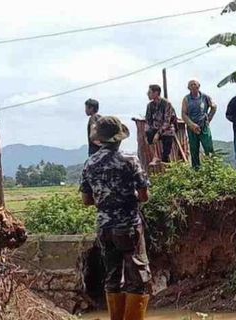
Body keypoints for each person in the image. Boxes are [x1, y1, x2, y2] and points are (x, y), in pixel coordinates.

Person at [80, 116, 151, 320]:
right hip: (128, 226)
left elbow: (86, 200)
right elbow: (144, 196)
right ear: (119, 139)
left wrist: (106, 200)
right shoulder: (129, 160)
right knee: (138, 278)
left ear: (100, 139)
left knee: (112, 278)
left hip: (104, 228)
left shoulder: (89, 163)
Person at [181, 79, 217, 169]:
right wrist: (191, 125)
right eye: (191, 85)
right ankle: (196, 171)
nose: (193, 86)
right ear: (188, 88)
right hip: (192, 128)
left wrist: (209, 118)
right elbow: (183, 114)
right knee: (194, 150)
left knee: (209, 148)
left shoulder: (205, 97)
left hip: (203, 126)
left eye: (195, 84)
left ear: (199, 86)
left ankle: (212, 169)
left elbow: (214, 107)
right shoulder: (186, 99)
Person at [145, 84, 177, 163]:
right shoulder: (150, 105)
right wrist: (147, 131)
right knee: (148, 134)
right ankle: (155, 156)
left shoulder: (166, 104)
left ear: (156, 93)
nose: (147, 94)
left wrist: (158, 134)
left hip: (167, 128)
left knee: (167, 137)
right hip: (156, 127)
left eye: (150, 92)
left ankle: (165, 159)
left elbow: (167, 121)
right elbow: (148, 120)